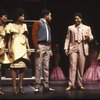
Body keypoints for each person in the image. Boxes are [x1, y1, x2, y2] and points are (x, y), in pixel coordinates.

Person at [64, 12, 94, 91]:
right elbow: (67, 39)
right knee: (72, 66)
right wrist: (66, 48)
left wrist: (88, 37)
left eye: (77, 18)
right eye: (75, 18)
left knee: (81, 67)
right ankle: (71, 84)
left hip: (82, 47)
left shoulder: (87, 27)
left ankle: (80, 84)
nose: (76, 20)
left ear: (81, 19)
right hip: (73, 47)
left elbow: (91, 37)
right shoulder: (70, 27)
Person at [6, 8, 31, 95]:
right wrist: (9, 49)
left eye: (23, 16)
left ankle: (21, 87)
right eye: (21, 15)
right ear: (17, 16)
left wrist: (28, 48)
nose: (23, 17)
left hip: (23, 47)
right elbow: (8, 39)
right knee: (13, 67)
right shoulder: (10, 25)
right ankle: (14, 88)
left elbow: (26, 38)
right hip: (14, 46)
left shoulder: (24, 26)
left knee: (22, 67)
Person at [32, 9, 55, 93]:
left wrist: (50, 48)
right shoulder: (38, 22)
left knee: (46, 67)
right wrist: (36, 47)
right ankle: (37, 85)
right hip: (40, 46)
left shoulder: (47, 25)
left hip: (47, 46)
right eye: (50, 15)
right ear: (46, 15)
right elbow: (34, 35)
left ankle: (46, 85)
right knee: (38, 66)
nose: (51, 17)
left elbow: (49, 38)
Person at [0, 9, 10, 95]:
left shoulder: (5, 26)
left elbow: (5, 40)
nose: (6, 18)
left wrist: (3, 49)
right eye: (5, 16)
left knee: (0, 69)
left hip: (1, 49)